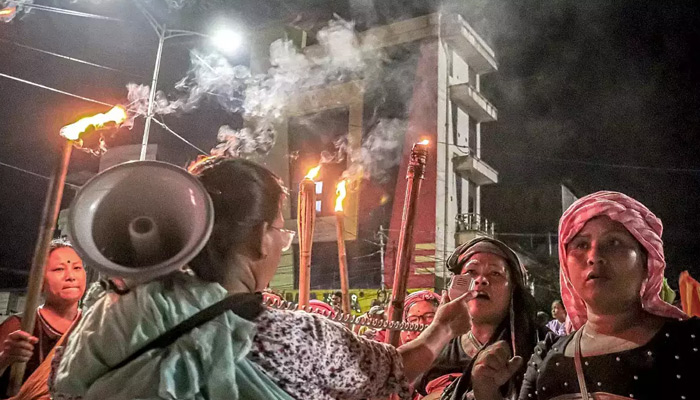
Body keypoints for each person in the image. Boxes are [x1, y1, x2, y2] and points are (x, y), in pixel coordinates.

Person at [51, 157, 474, 400]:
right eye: (280, 231)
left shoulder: (108, 318)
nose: (281, 243)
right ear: (258, 238)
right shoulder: (296, 338)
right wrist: (442, 329)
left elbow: (61, 386)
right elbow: (392, 371)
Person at [470, 191, 699, 400]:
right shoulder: (548, 354)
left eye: (614, 242)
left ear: (646, 263)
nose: (594, 256)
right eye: (581, 245)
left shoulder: (689, 342)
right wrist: (487, 392)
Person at [416, 237, 539, 400]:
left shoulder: (541, 347)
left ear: (513, 289)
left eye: (495, 273)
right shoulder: (434, 350)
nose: (481, 280)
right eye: (471, 272)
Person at [0, 239, 86, 397]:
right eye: (59, 269)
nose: (71, 276)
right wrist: (5, 358)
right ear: (40, 281)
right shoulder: (18, 326)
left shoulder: (93, 325)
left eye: (77, 268)